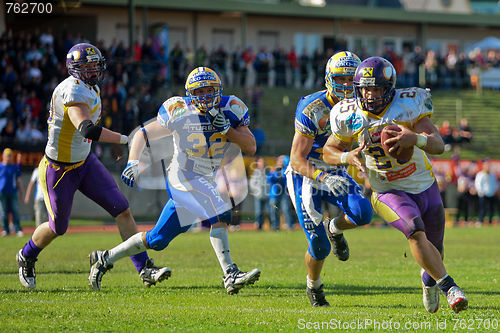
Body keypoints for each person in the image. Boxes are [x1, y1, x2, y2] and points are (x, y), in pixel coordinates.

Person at [88, 67, 260, 294]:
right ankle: (230, 274)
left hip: (204, 177)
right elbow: (142, 133)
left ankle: (104, 258)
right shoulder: (180, 110)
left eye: (210, 90)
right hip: (183, 175)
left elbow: (250, 146)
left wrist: (226, 128)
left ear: (219, 90)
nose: (206, 95)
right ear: (190, 94)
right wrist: (133, 162)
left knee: (157, 239)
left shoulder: (231, 108)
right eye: (200, 91)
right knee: (220, 210)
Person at [16, 43, 169, 290]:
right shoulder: (72, 91)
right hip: (59, 169)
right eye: (85, 67)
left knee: (123, 210)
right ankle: (27, 255)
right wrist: (124, 138)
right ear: (73, 70)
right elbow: (86, 129)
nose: (92, 71)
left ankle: (145, 268)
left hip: (85, 162)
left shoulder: (90, 88)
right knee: (58, 227)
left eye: (94, 66)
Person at [323, 56, 468, 313]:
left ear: (389, 88)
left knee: (436, 247)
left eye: (377, 87)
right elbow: (328, 151)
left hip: (424, 185)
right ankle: (450, 287)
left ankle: (429, 280)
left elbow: (438, 145)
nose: (371, 94)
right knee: (414, 230)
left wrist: (416, 139)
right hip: (386, 190)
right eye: (366, 88)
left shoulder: (408, 104)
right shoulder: (348, 114)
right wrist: (346, 156)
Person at [285, 51, 373, 307]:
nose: (346, 84)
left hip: (336, 168)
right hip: (307, 173)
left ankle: (334, 229)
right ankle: (314, 286)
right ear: (328, 79)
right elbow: (296, 159)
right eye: (340, 78)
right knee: (319, 246)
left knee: (363, 213)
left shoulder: (364, 103)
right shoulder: (313, 108)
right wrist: (322, 175)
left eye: (351, 79)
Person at [0, 148, 24, 237]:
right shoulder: (0, 167)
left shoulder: (14, 167)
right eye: (7, 156)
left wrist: (21, 193)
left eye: (10, 156)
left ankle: (18, 229)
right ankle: (6, 230)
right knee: (3, 212)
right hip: (2, 193)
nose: (8, 157)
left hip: (13, 192)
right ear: (3, 156)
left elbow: (19, 180)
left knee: (15, 210)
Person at [267, 155, 294, 230]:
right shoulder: (274, 169)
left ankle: (289, 226)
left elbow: (285, 178)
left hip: (284, 192)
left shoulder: (286, 169)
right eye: (278, 161)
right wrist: (273, 173)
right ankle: (275, 226)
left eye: (281, 160)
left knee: (286, 209)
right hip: (274, 193)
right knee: (273, 209)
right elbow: (269, 180)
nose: (279, 162)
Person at [474, 159, 498, 226]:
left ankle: (490, 221)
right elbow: (478, 184)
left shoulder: (493, 175)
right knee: (482, 209)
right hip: (483, 194)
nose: (488, 167)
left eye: (489, 166)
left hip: (491, 194)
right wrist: (481, 192)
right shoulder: (480, 174)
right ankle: (480, 221)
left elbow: (495, 184)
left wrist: (495, 190)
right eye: (487, 166)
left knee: (491, 209)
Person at [249, 156, 269, 230]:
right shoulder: (256, 172)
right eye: (260, 162)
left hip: (267, 195)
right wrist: (255, 191)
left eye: (263, 162)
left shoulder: (268, 171)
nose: (262, 164)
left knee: (269, 211)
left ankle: (270, 225)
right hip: (258, 195)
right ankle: (259, 226)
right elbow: (252, 183)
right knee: (258, 212)